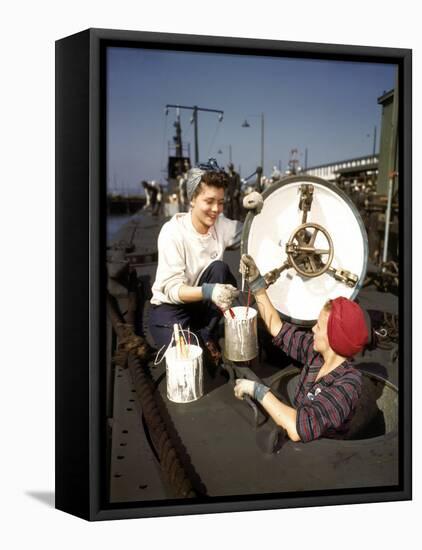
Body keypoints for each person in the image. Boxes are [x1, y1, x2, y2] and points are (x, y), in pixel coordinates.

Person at [234, 254, 369, 442]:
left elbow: (300, 428)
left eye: (319, 327)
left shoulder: (348, 385)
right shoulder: (316, 354)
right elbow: (277, 329)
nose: (313, 329)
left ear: (334, 339)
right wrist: (257, 286)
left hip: (322, 458)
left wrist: (259, 391)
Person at [148, 159, 245, 364]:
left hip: (199, 304)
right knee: (187, 361)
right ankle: (196, 336)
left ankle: (205, 333)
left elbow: (252, 231)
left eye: (220, 202)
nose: (216, 209)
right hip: (170, 308)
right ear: (192, 199)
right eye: (209, 201)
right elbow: (173, 290)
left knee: (220, 269)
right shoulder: (172, 233)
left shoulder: (222, 224)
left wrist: (256, 207)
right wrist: (210, 291)